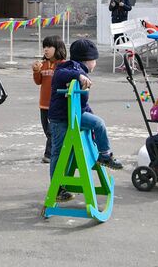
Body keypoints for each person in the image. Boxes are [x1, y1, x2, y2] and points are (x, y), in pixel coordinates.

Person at [49, 39, 123, 202]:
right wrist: (79, 75)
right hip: (61, 119)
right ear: (88, 60)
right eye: (94, 60)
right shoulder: (70, 68)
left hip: (74, 115)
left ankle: (104, 155)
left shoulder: (80, 71)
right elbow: (60, 74)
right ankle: (56, 188)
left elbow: (82, 104)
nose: (95, 63)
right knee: (59, 153)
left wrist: (90, 114)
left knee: (97, 124)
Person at [32, 35, 67, 164]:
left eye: (49, 47)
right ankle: (54, 151)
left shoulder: (63, 65)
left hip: (56, 104)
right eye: (44, 47)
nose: (46, 50)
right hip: (44, 104)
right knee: (47, 130)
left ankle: (49, 154)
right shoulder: (43, 64)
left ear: (58, 48)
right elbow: (38, 82)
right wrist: (36, 71)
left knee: (52, 130)